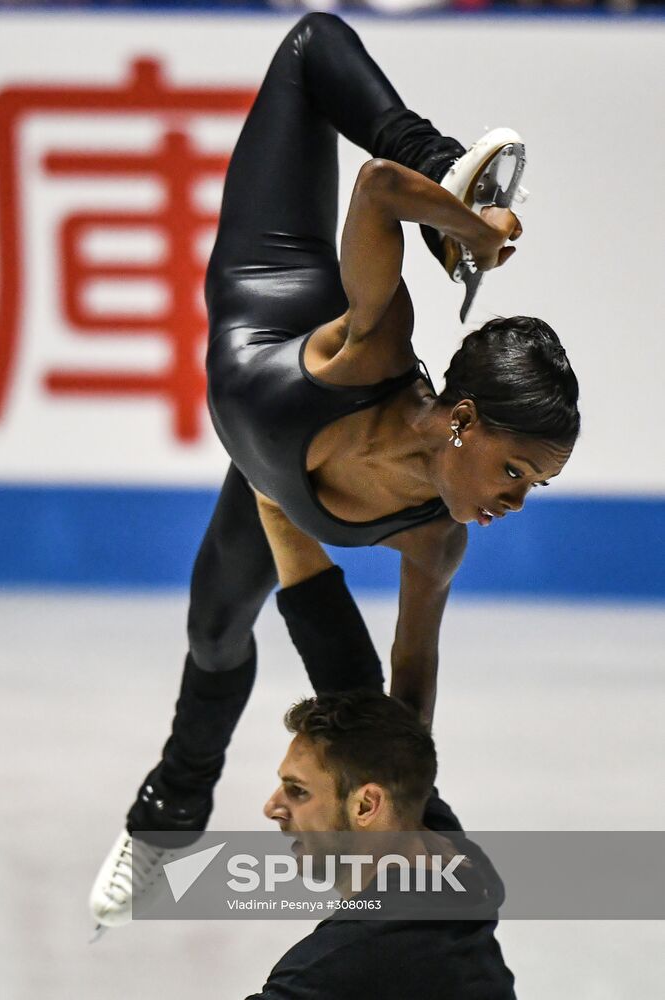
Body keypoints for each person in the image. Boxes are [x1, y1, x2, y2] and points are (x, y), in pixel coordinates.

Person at [90, 13, 580, 927]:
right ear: (462, 422)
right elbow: (375, 186)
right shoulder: (374, 350)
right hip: (269, 287)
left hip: (267, 472)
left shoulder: (436, 541)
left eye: (533, 486)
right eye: (514, 470)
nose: (515, 500)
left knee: (283, 664)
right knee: (311, 44)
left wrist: (408, 818)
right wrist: (467, 220)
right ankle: (172, 813)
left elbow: (406, 684)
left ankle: (176, 819)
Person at [254, 690, 517, 1000]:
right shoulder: (453, 858)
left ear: (366, 806)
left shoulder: (338, 962)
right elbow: (399, 756)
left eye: (297, 790)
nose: (272, 807)